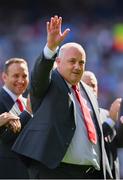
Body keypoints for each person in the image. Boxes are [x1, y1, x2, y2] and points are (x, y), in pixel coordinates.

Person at [12, 15, 116, 179]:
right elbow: (39, 78)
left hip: (91, 173)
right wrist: (50, 49)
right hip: (57, 172)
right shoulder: (51, 83)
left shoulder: (89, 92)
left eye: (81, 63)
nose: (77, 66)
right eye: (72, 61)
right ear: (58, 62)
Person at [82, 70, 123, 179]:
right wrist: (111, 122)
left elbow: (117, 142)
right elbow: (91, 141)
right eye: (87, 85)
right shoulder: (77, 114)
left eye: (94, 85)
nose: (91, 88)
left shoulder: (105, 113)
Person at [0, 58, 32, 179]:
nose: (21, 80)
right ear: (4, 77)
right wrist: (28, 113)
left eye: (24, 76)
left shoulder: (26, 102)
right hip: (7, 171)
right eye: (16, 76)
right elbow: (5, 138)